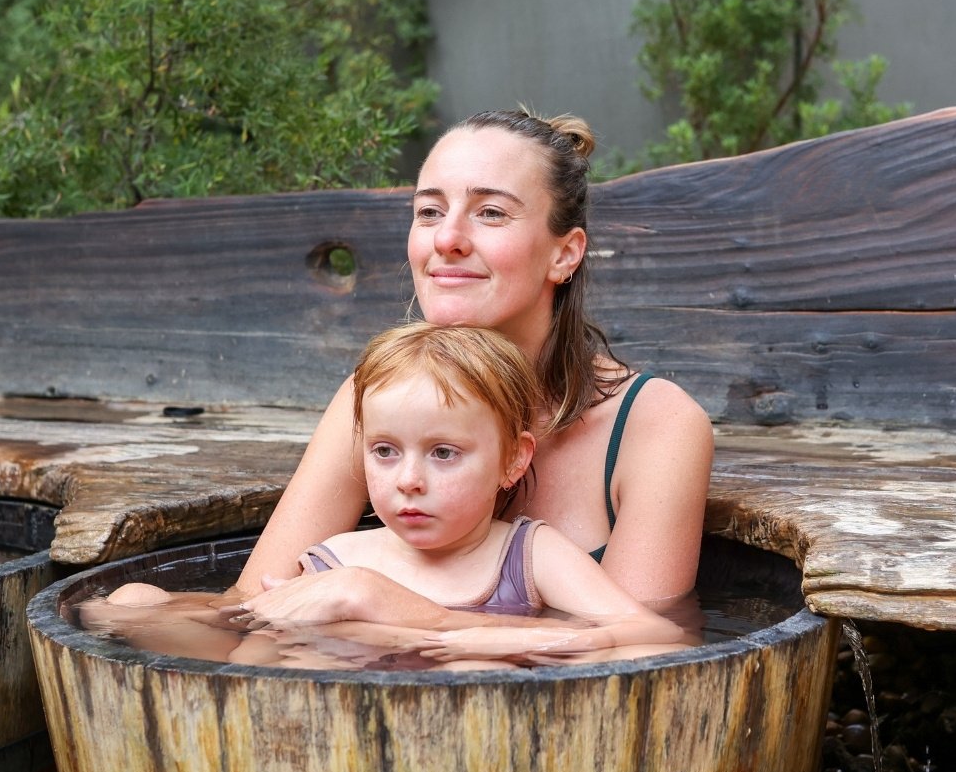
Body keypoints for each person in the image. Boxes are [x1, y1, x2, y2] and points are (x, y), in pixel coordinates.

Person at [233, 108, 713, 611]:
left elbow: (648, 657)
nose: (446, 239)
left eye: (490, 212)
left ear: (565, 254)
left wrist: (387, 603)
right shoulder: (375, 392)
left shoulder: (656, 425)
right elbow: (250, 607)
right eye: (429, 212)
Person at [239, 322, 687, 662]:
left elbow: (654, 634)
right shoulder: (334, 563)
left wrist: (545, 640)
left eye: (444, 453)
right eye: (384, 451)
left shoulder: (529, 556)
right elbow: (248, 656)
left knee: (474, 674)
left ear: (513, 459)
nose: (408, 479)